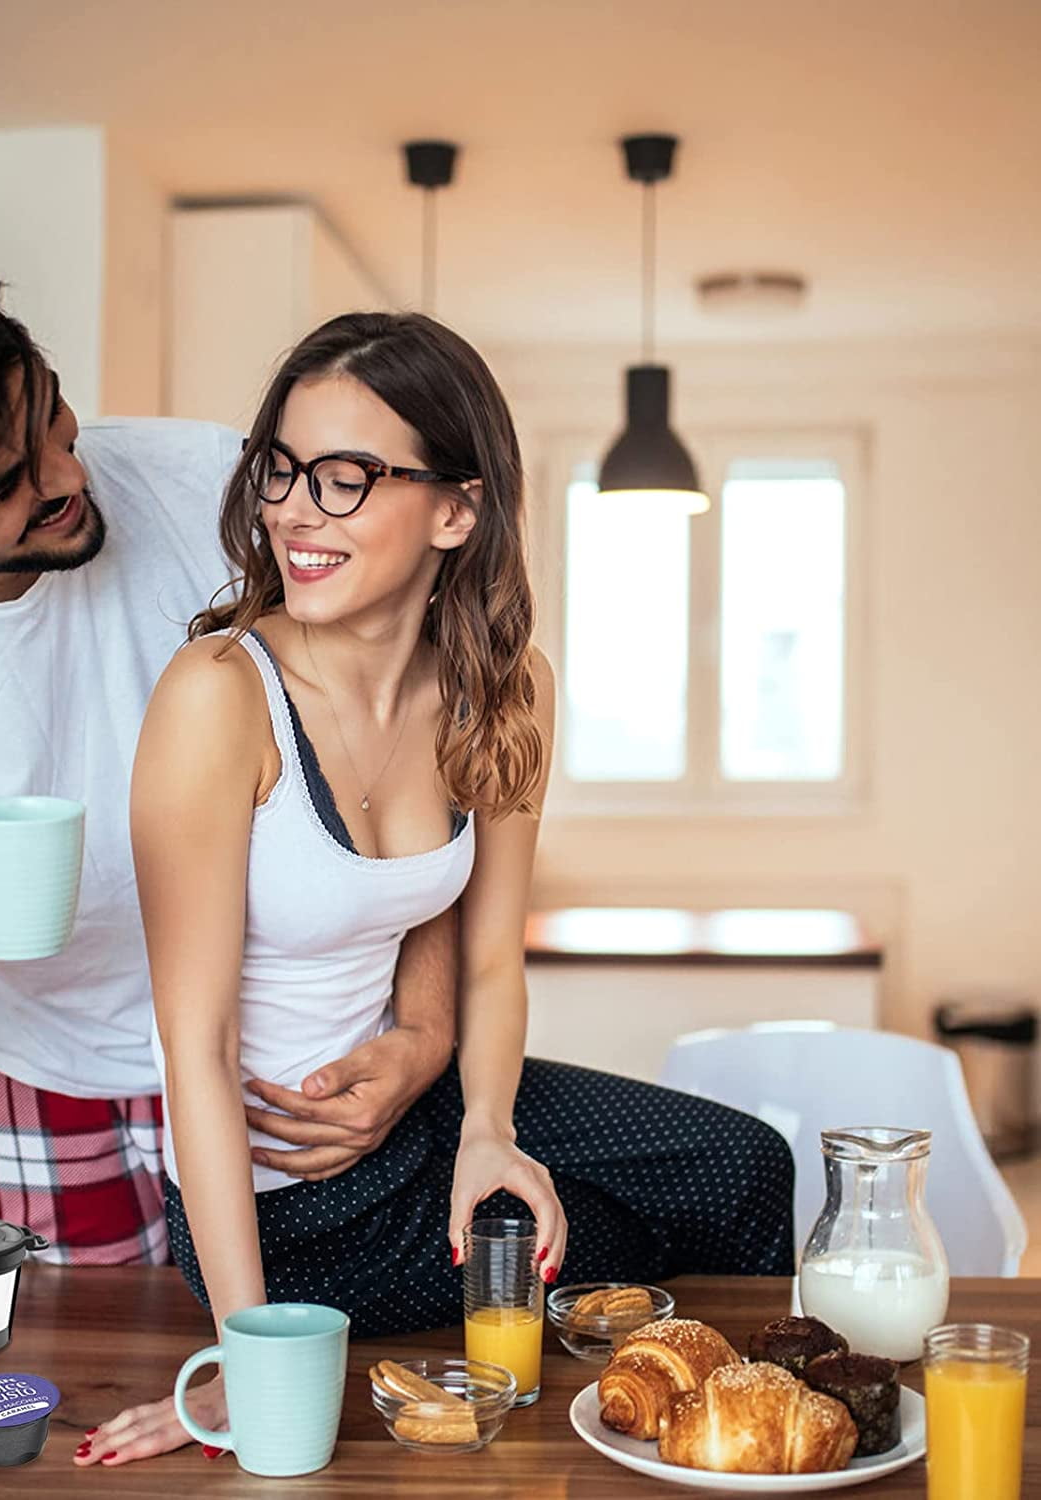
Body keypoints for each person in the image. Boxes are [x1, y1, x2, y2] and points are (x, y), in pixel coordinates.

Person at [76, 312, 795, 1468]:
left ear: (456, 511)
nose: (295, 511)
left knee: (745, 1169)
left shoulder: (502, 688)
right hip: (288, 1206)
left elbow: (492, 957)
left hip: (425, 1118)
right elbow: (194, 1046)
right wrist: (252, 1358)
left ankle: (750, 1431)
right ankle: (689, 1423)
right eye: (281, 470)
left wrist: (489, 1133)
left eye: (347, 477)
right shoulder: (218, 694)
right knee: (613, 1254)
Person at [0, 244, 459, 1266]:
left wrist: (424, 1032)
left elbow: (427, 756)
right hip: (35, 1086)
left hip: (298, 1069)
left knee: (322, 1360)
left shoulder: (220, 486)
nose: (68, 477)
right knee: (64, 1367)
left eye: (53, 418)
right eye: (4, 485)